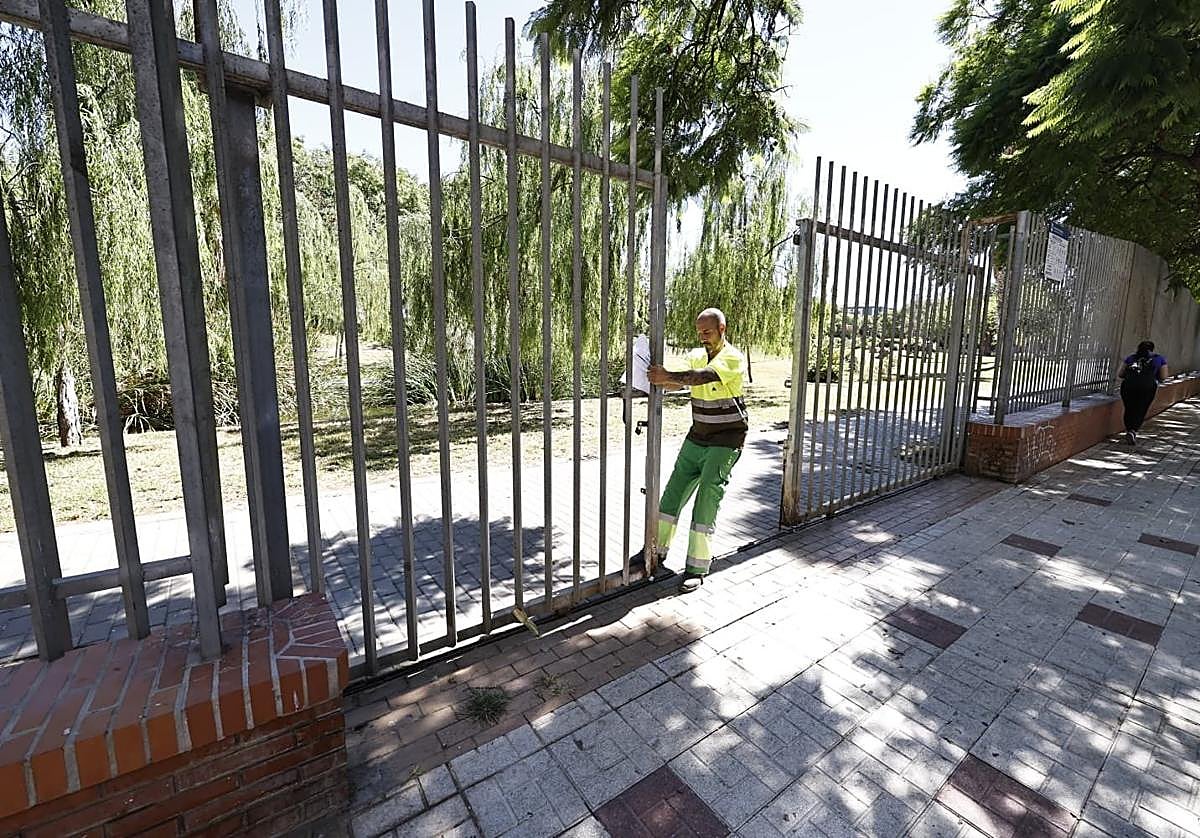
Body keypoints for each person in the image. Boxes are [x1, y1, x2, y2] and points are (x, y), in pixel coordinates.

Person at [633, 308, 748, 593]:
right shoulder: (696, 355)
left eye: (707, 332)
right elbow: (680, 382)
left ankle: (696, 567)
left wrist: (671, 375)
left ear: (723, 328)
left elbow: (702, 377)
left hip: (727, 438)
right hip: (698, 436)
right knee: (672, 494)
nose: (703, 337)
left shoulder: (733, 357)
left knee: (706, 497)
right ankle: (654, 551)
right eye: (699, 332)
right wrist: (657, 379)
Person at [1117, 340, 1169, 445]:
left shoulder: (1131, 358)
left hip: (1128, 386)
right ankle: (1133, 431)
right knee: (1141, 408)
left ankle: (1129, 429)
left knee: (1129, 408)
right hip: (1147, 387)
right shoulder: (1159, 359)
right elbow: (1163, 377)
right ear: (1152, 349)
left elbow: (1120, 374)